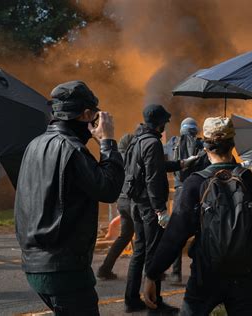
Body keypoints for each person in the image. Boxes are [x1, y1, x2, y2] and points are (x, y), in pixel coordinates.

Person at [142, 116, 252, 315]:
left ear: (205, 146)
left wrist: (152, 274)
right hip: (245, 276)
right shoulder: (251, 181)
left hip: (205, 275)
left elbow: (175, 235)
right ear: (232, 144)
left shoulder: (194, 183)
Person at [14, 81, 124, 315]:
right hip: (64, 268)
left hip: (34, 264)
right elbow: (108, 189)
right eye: (94, 116)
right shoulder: (71, 148)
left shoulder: (34, 145)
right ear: (86, 115)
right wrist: (107, 141)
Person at [123, 104, 198, 314]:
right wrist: (160, 210)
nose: (166, 125)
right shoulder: (153, 143)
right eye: (164, 121)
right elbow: (153, 178)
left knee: (139, 252)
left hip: (136, 204)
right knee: (153, 254)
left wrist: (182, 163)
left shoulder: (137, 140)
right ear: (159, 123)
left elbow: (154, 167)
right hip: (149, 206)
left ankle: (131, 299)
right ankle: (154, 304)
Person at [165, 117, 210, 284]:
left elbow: (163, 161)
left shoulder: (172, 143)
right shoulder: (202, 146)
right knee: (201, 232)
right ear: (196, 130)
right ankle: (198, 271)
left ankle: (176, 273)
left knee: (178, 232)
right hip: (199, 192)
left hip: (179, 192)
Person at [96, 133, 135, 280]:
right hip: (133, 201)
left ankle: (105, 269)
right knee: (143, 237)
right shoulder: (133, 158)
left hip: (122, 201)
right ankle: (148, 272)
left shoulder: (117, 158)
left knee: (125, 236)